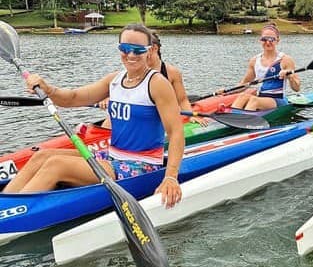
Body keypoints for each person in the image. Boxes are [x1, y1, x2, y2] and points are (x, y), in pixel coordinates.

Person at [3, 24, 184, 207]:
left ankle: (11, 214)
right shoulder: (114, 80)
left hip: (139, 165)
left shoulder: (157, 83)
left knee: (56, 164)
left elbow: (176, 132)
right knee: (42, 156)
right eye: (125, 49)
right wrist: (49, 89)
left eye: (138, 50)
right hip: (111, 157)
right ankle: (5, 202)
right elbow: (73, 98)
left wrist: (170, 177)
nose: (130, 55)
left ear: (151, 50)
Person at [101, 31, 208, 128]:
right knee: (110, 120)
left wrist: (190, 116)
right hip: (136, 113)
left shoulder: (172, 73)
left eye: (140, 49)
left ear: (154, 48)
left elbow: (182, 99)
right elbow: (123, 90)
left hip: (158, 115)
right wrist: (108, 97)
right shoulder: (134, 68)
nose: (134, 54)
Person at [230, 23, 301, 111]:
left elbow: (296, 88)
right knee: (242, 96)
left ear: (277, 40)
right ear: (260, 40)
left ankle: (244, 120)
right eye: (264, 39)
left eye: (271, 39)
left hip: (278, 100)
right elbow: (244, 84)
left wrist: (290, 76)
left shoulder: (285, 60)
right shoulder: (254, 61)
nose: (268, 42)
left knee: (254, 100)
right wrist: (225, 93)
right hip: (261, 98)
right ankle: (232, 118)